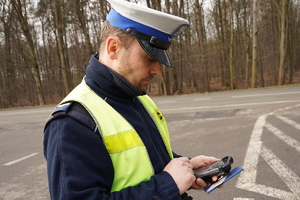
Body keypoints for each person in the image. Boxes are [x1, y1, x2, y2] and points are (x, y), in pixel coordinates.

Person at [43, 0, 223, 199]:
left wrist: (187, 166)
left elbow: (144, 164)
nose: (158, 71)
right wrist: (168, 184)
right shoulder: (72, 122)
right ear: (113, 48)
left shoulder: (136, 98)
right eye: (149, 58)